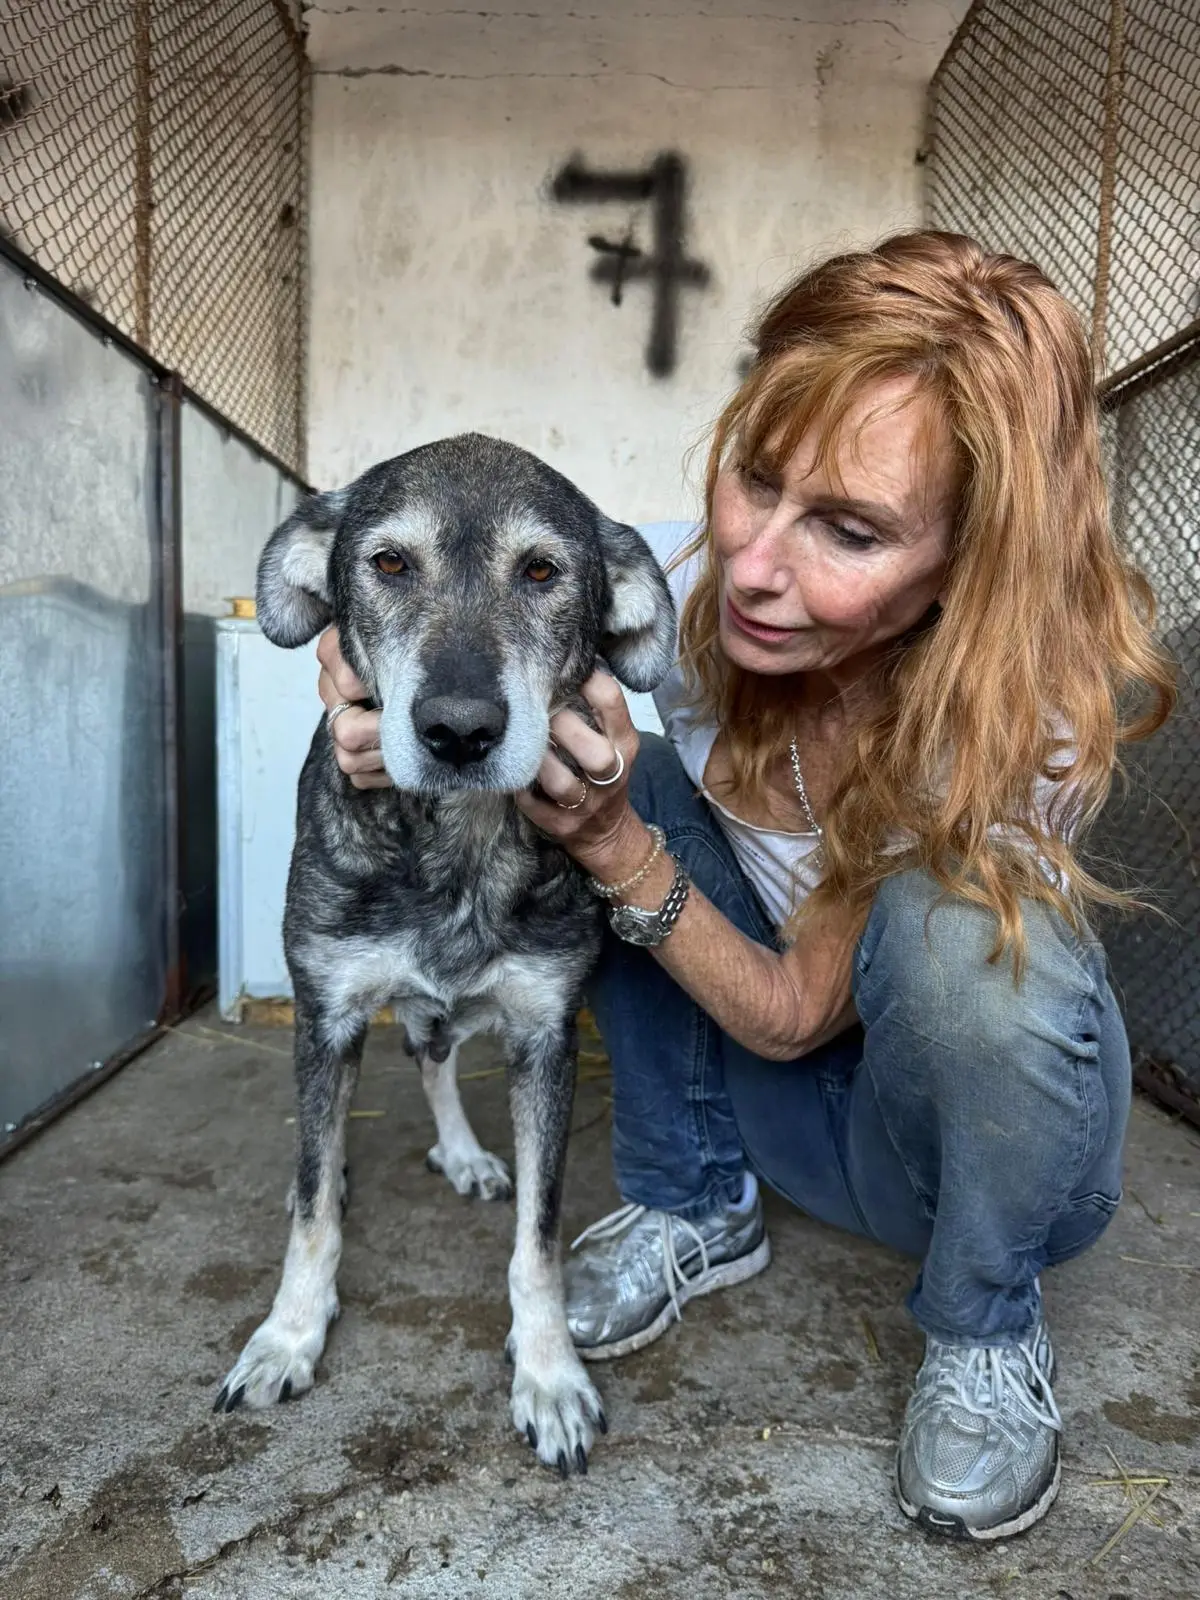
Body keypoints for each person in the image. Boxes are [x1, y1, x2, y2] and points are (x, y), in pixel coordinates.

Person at [314, 231, 1173, 1541]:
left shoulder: (1023, 718)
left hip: (974, 1158)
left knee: (956, 924)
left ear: (968, 559)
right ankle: (695, 1202)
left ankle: (987, 1324)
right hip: (789, 1125)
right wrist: (365, 678)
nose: (758, 566)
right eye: (757, 478)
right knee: (626, 762)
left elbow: (792, 1013)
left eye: (849, 530)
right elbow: (433, 600)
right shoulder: (687, 597)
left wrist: (614, 843)